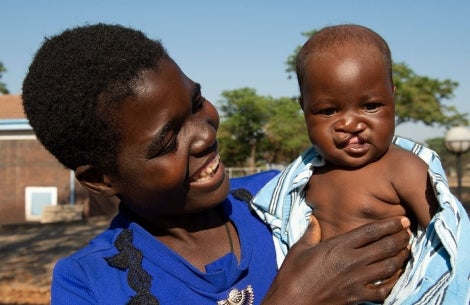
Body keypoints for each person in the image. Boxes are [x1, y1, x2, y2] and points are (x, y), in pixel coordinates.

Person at [22, 23, 412, 305]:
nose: (205, 134)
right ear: (101, 179)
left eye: (196, 103)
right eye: (168, 140)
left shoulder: (287, 195)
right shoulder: (91, 284)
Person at [251, 24, 470, 304]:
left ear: (392, 95)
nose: (351, 124)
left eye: (370, 106)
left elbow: (448, 238)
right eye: (329, 111)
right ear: (304, 107)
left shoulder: (403, 168)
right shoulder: (309, 175)